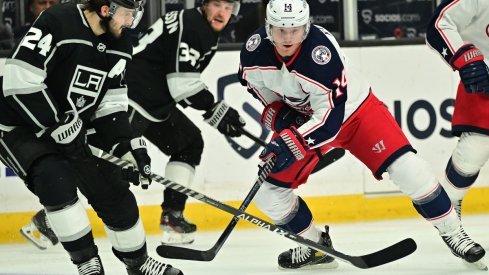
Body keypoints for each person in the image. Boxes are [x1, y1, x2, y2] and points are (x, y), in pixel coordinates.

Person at [237, 0, 486, 270]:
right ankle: (314, 246)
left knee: (409, 170)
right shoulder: (253, 52)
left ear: (306, 28)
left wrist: (289, 141)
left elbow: (330, 122)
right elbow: (262, 91)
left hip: (355, 112)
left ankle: (452, 231)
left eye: (294, 30)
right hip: (310, 121)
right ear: (267, 28)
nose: (287, 38)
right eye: (279, 30)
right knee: (267, 192)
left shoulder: (320, 54)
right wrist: (279, 114)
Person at [0, 0, 183, 274]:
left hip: (72, 128)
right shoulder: (58, 21)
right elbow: (18, 80)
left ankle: (139, 264)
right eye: (127, 15)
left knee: (113, 187)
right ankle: (87, 263)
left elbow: (110, 102)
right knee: (55, 176)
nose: (131, 22)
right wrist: (56, 123)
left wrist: (127, 147)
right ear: (105, 9)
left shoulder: (120, 43)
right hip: (18, 123)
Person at [124, 0, 245, 245]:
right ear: (204, 5)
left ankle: (172, 217)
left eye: (228, 7)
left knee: (188, 143)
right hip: (130, 99)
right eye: (217, 4)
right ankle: (50, 219)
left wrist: (211, 108)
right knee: (107, 167)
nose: (222, 12)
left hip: (151, 100)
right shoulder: (194, 27)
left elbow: (179, 81)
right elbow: (181, 84)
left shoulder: (195, 24)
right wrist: (212, 107)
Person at [426, 2, 489, 227]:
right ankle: (449, 207)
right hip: (485, 81)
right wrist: (466, 60)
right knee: (473, 152)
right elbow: (438, 25)